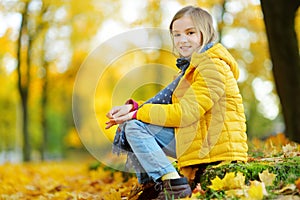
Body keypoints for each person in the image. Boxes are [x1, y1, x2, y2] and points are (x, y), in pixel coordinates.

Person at [105, 5, 248, 200]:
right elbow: (164, 107)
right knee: (132, 125)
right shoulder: (190, 70)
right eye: (177, 34)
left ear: (205, 34)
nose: (182, 40)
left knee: (134, 126)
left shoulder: (212, 66)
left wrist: (136, 114)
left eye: (190, 33)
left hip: (215, 147)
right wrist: (134, 108)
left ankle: (175, 185)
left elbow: (185, 113)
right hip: (198, 138)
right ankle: (153, 186)